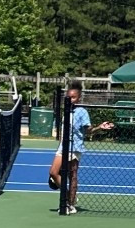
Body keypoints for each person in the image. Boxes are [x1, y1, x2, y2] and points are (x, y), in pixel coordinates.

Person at [48, 83, 112, 213]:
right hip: (63, 147)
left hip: (75, 147)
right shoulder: (66, 110)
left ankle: (70, 204)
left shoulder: (82, 112)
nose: (70, 99)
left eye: (73, 97)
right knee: (53, 173)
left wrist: (100, 127)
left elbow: (88, 130)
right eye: (68, 97)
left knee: (72, 176)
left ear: (78, 98)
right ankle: (66, 197)